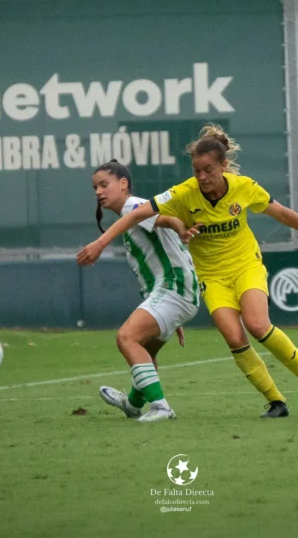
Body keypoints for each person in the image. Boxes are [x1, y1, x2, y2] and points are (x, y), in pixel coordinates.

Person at [78, 124, 298, 418]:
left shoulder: (244, 187)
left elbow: (282, 213)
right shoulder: (185, 192)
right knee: (234, 338)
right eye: (196, 170)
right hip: (211, 277)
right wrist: (108, 242)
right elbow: (148, 215)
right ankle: (276, 402)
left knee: (257, 325)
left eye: (208, 170)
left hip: (245, 266)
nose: (202, 177)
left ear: (223, 166)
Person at [89, 160, 199, 423]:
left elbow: (167, 219)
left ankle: (161, 407)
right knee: (145, 352)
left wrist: (179, 225)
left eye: (104, 184)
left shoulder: (133, 206)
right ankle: (133, 404)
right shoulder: (129, 217)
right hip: (174, 291)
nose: (98, 192)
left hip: (175, 286)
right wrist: (172, 315)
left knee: (126, 338)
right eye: (95, 187)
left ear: (123, 184)